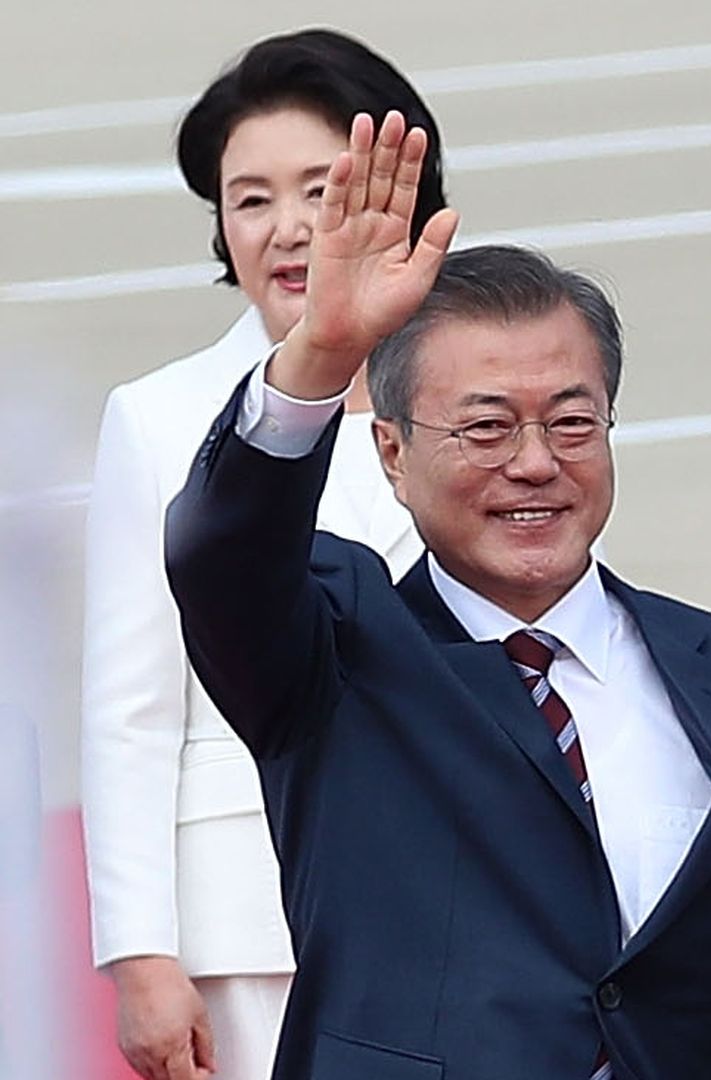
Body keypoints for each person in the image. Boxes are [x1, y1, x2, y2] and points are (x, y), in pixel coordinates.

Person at [163, 111, 711, 1080]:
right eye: (488, 428)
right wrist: (320, 356)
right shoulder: (333, 654)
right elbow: (221, 554)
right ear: (393, 452)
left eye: (571, 421)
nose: (537, 464)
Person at [80, 30, 446, 1080]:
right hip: (255, 923)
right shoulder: (158, 419)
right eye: (250, 198)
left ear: (397, 189)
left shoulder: (483, 386)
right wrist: (142, 955)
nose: (288, 229)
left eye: (322, 189)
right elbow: (129, 709)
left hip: (473, 886)